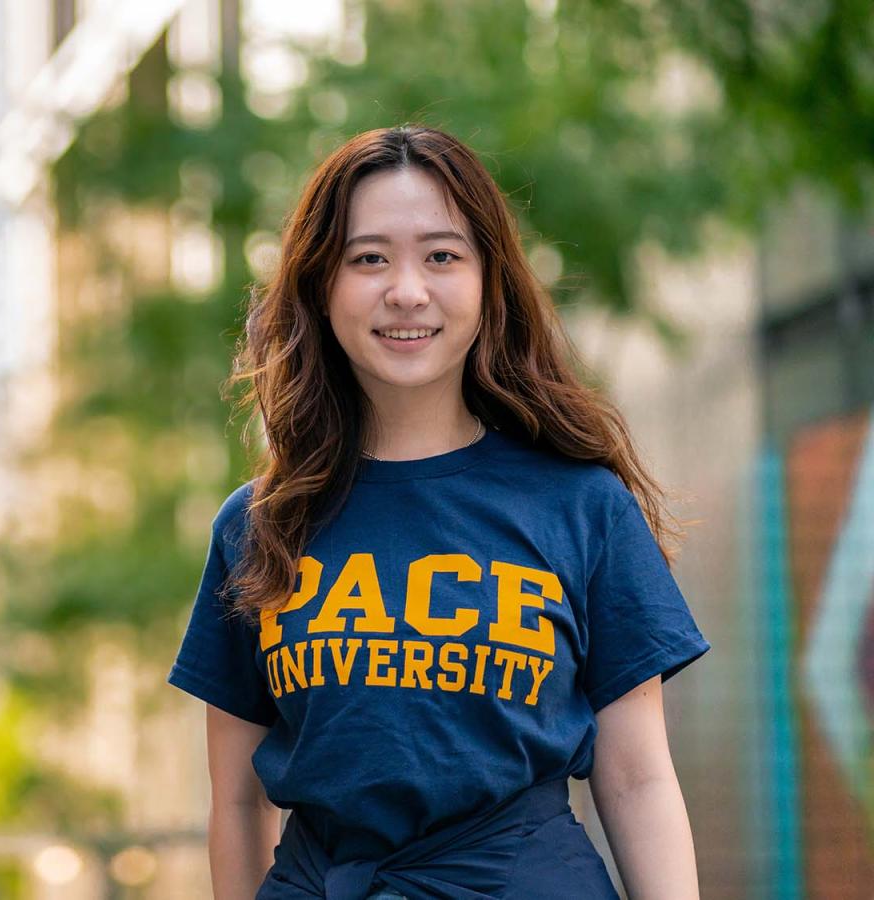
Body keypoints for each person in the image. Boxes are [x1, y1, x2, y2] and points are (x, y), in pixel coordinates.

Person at [167, 124, 711, 899]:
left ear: (489, 281)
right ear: (324, 286)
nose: (407, 290)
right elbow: (237, 798)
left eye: (442, 255)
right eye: (369, 258)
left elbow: (636, 778)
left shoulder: (581, 506)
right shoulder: (257, 526)